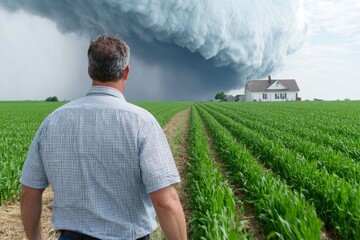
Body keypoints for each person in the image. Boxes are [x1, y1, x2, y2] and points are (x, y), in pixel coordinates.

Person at [20, 34, 187, 240]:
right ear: (126, 71)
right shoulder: (142, 123)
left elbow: (29, 193)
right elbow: (165, 201)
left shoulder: (52, 121)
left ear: (90, 72)